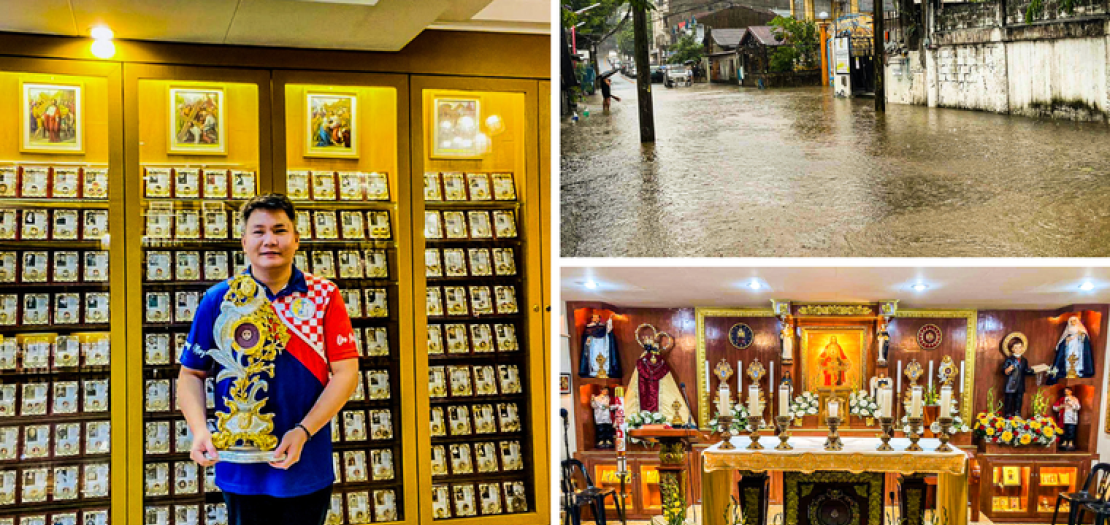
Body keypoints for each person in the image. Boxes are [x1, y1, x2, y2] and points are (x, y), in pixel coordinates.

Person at [177, 194, 360, 525]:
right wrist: (199, 429)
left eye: (280, 230)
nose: (270, 241)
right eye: (258, 231)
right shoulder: (219, 298)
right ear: (244, 241)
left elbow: (346, 373)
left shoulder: (324, 296)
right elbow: (191, 372)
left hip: (306, 460)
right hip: (238, 464)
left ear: (296, 239)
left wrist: (304, 431)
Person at [1048, 317, 1094, 384]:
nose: (1073, 322)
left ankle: (1078, 371)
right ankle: (1068, 370)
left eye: (1074, 321)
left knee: (1078, 358)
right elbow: (1063, 340)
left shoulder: (1081, 330)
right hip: (1070, 346)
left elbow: (1084, 340)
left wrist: (1081, 336)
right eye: (1071, 321)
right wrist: (1067, 340)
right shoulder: (1068, 332)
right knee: (1068, 358)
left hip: (1078, 348)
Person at [1002, 339, 1037, 418]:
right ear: (1012, 349)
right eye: (1016, 348)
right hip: (1010, 384)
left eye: (1020, 347)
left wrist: (1034, 371)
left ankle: (1017, 414)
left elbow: (1025, 371)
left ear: (1022, 348)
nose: (1018, 349)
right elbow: (1003, 370)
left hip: (1020, 385)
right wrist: (1007, 370)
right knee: (1009, 401)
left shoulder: (1024, 360)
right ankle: (1008, 416)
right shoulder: (1009, 359)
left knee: (1019, 401)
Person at [578, 313, 620, 378]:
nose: (596, 319)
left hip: (602, 345)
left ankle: (605, 370)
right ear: (592, 319)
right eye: (595, 317)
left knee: (604, 356)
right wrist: (587, 342)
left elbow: (608, 330)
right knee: (593, 358)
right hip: (593, 347)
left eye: (598, 317)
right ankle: (595, 370)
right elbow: (586, 339)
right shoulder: (589, 328)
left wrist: (610, 320)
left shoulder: (603, 327)